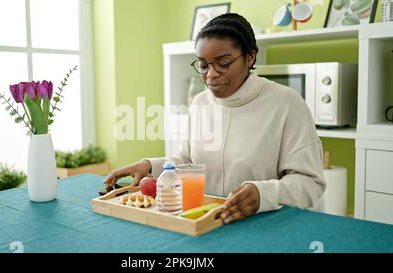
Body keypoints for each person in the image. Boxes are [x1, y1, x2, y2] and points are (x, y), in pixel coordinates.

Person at [103, 13, 326, 224]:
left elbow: (310, 183)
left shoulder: (287, 103)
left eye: (223, 63)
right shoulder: (200, 103)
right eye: (203, 65)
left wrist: (263, 194)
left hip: (268, 228)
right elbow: (189, 162)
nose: (210, 74)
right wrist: (150, 166)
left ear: (250, 57)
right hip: (207, 223)